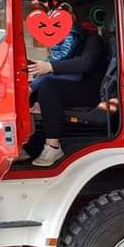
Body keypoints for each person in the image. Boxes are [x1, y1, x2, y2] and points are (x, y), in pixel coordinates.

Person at [25, 17, 107, 168]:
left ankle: (53, 147)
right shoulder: (61, 41)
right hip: (72, 83)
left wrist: (50, 67)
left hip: (89, 90)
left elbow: (83, 65)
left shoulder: (92, 39)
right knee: (25, 93)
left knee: (48, 87)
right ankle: (22, 143)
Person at [28, 3, 86, 96]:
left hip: (72, 72)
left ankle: (29, 92)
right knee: (40, 74)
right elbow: (55, 53)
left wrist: (48, 64)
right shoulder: (60, 33)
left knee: (44, 77)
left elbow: (65, 54)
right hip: (64, 69)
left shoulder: (72, 33)